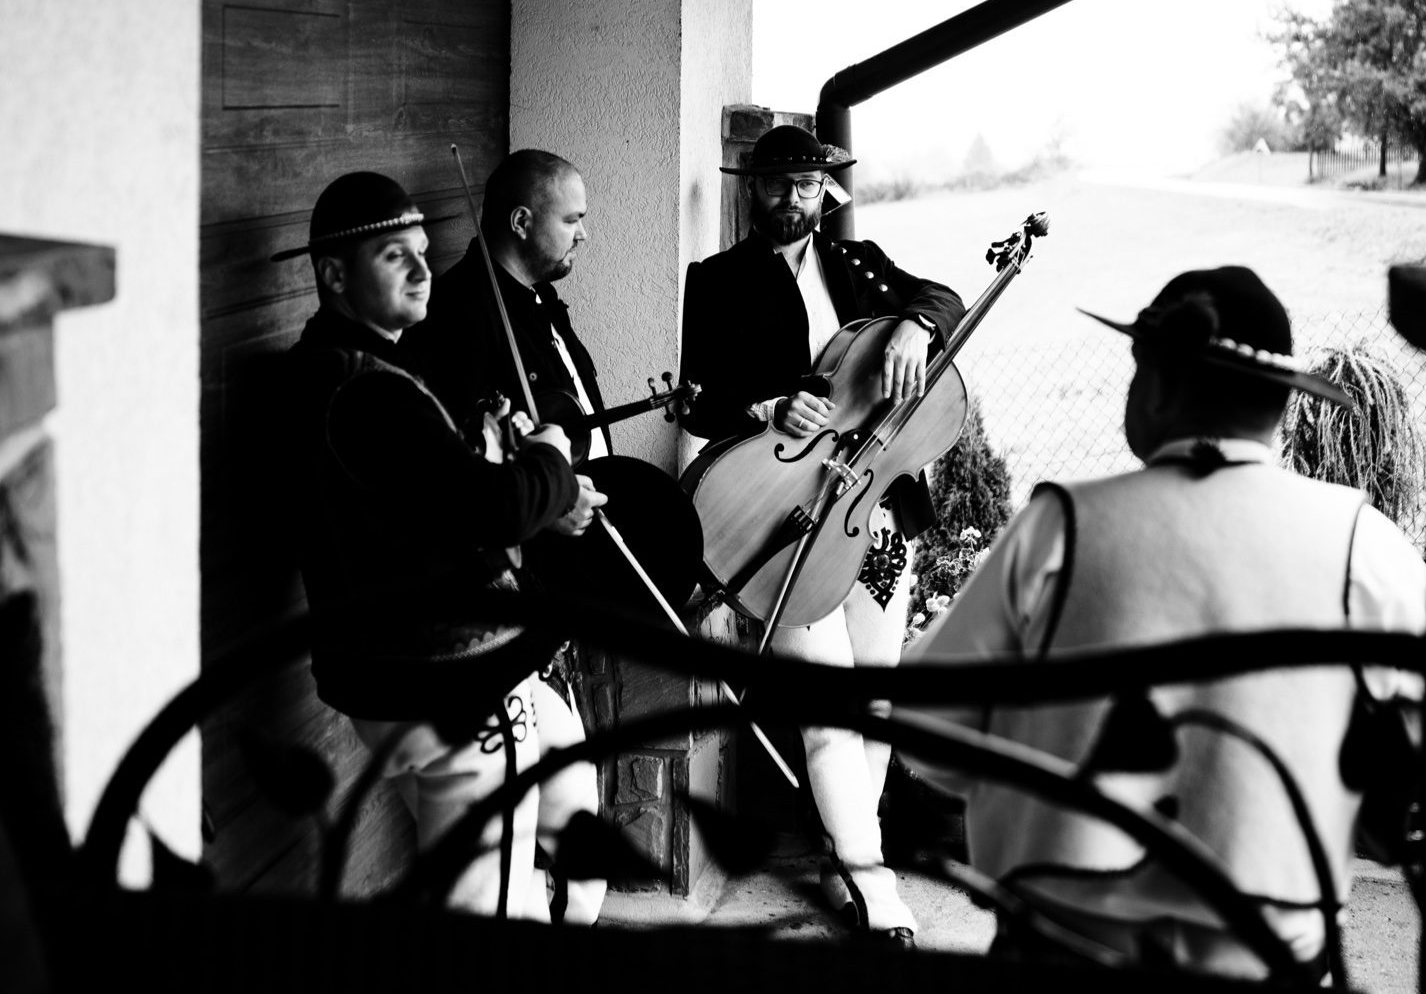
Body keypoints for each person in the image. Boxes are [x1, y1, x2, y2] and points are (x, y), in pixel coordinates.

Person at [900, 267, 1426, 977]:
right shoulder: (1364, 546)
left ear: (1157, 388)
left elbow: (925, 724)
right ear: (1279, 404)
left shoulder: (1062, 528)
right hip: (1270, 964)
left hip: (1061, 952)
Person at [274, 171, 607, 922]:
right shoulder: (367, 389)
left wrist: (489, 451)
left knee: (564, 764)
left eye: (423, 251)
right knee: (490, 901)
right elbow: (498, 508)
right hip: (445, 681)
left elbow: (420, 500)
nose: (423, 270)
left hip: (390, 673)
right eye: (395, 256)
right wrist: (550, 457)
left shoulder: (330, 367)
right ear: (335, 275)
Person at [679, 124, 966, 945]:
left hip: (874, 507)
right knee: (828, 705)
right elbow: (698, 401)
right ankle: (877, 888)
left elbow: (947, 299)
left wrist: (916, 324)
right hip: (786, 516)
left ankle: (847, 862)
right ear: (750, 187)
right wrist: (765, 406)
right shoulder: (716, 279)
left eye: (806, 184)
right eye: (777, 182)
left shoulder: (859, 263)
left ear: (824, 191)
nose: (792, 197)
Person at [408, 149, 608, 459]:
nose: (583, 235)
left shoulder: (543, 293)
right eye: (572, 220)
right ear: (521, 222)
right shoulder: (458, 314)